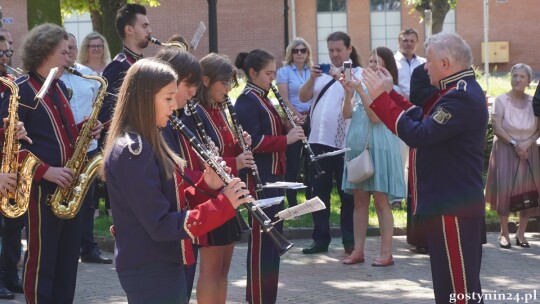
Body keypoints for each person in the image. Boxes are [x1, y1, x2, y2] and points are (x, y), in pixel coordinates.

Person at [102, 57, 248, 304]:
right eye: (168, 99)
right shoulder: (132, 151)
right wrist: (223, 204)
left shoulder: (149, 140)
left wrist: (207, 186)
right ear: (146, 99)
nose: (173, 107)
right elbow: (160, 224)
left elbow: (172, 202)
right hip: (149, 267)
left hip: (163, 261)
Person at [361, 32, 487, 304]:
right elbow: (422, 119)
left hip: (452, 207)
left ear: (444, 63)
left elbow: (420, 135)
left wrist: (380, 100)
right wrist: (390, 93)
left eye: (428, 62)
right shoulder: (455, 91)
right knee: (449, 286)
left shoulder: (460, 96)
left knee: (458, 290)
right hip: (448, 205)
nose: (424, 67)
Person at [0, 23, 103, 304]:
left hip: (67, 186)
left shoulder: (58, 88)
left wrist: (86, 128)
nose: (69, 58)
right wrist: (47, 171)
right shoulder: (20, 91)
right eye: (63, 52)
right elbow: (9, 146)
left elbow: (62, 136)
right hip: (39, 189)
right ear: (45, 52)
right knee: (42, 261)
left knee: (67, 261)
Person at [181, 53, 254, 304]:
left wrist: (242, 146)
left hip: (227, 196)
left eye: (231, 84)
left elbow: (225, 150)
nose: (228, 89)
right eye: (224, 83)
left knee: (224, 269)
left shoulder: (220, 110)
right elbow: (200, 161)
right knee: (211, 270)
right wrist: (237, 162)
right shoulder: (195, 113)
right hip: (210, 197)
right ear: (206, 80)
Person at [234, 49, 304, 304]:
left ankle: (267, 298)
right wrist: (287, 139)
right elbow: (253, 141)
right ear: (252, 73)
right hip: (260, 179)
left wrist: (288, 124)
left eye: (274, 73)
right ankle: (258, 299)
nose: (273, 79)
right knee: (263, 243)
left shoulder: (263, 97)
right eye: (268, 73)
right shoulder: (247, 100)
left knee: (273, 242)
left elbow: (269, 130)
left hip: (274, 176)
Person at [340, 47, 406, 267]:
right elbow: (347, 114)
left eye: (378, 62)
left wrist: (360, 90)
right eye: (370, 62)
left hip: (379, 147)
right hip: (358, 148)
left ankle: (386, 253)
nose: (373, 66)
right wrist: (349, 93)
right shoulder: (361, 86)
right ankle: (358, 251)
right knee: (359, 202)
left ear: (387, 66)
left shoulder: (388, 87)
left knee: (380, 201)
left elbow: (376, 117)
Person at [298, 31, 356, 255]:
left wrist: (340, 78)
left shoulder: (356, 73)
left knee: (346, 195)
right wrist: (312, 78)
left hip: (343, 143)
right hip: (317, 141)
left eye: (339, 50)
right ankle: (320, 239)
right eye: (331, 50)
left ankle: (349, 239)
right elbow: (303, 97)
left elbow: (353, 106)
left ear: (349, 49)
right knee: (317, 193)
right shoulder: (319, 74)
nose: (334, 54)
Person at [155, 47, 203, 301]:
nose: (193, 91)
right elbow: (170, 181)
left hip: (183, 224)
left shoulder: (177, 119)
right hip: (165, 237)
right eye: (188, 84)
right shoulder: (156, 128)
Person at [61, 33, 111, 264]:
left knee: (88, 202)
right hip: (63, 149)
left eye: (72, 47)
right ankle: (66, 249)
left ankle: (89, 249)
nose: (70, 52)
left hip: (88, 147)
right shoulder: (53, 76)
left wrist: (98, 122)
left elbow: (94, 108)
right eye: (66, 47)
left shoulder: (88, 75)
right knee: (63, 199)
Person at [485, 63, 540, 249]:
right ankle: (504, 233)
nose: (517, 79)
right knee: (505, 191)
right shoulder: (501, 100)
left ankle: (521, 233)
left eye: (521, 77)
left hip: (528, 150)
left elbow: (539, 129)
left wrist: (527, 143)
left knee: (528, 191)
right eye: (514, 76)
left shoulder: (535, 102)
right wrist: (516, 144)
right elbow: (498, 128)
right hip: (505, 150)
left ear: (528, 81)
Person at [0, 35, 26, 299]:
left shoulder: (9, 87)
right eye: (1, 55)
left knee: (13, 224)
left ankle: (9, 275)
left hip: (8, 165)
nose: (6, 60)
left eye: (8, 53)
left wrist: (16, 129)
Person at [276, 37, 313, 207]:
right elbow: (283, 99)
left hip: (312, 118)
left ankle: (310, 198)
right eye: (296, 50)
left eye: (302, 50)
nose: (299, 53)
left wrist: (309, 115)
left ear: (307, 53)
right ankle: (291, 201)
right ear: (291, 53)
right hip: (293, 120)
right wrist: (297, 115)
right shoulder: (284, 72)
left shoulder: (312, 71)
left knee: (311, 161)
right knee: (293, 162)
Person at [406, 61, 438, 255]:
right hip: (424, 128)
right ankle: (422, 238)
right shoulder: (420, 72)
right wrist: (438, 91)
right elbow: (416, 97)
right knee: (421, 186)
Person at [394, 28, 426, 100]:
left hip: (420, 105)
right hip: (399, 104)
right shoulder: (392, 62)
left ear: (417, 43)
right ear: (398, 42)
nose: (409, 44)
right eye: (405, 41)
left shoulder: (424, 63)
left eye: (412, 41)